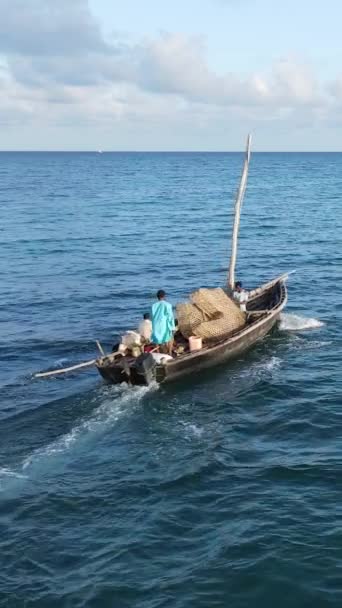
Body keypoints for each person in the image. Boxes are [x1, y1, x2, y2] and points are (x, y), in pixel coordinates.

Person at [151, 290, 175, 355]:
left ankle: (158, 353)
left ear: (157, 297)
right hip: (164, 324)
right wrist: (172, 327)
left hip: (156, 325)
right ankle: (169, 353)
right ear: (164, 296)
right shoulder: (168, 305)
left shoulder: (153, 306)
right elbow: (170, 317)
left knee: (156, 339)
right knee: (170, 337)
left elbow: (152, 317)